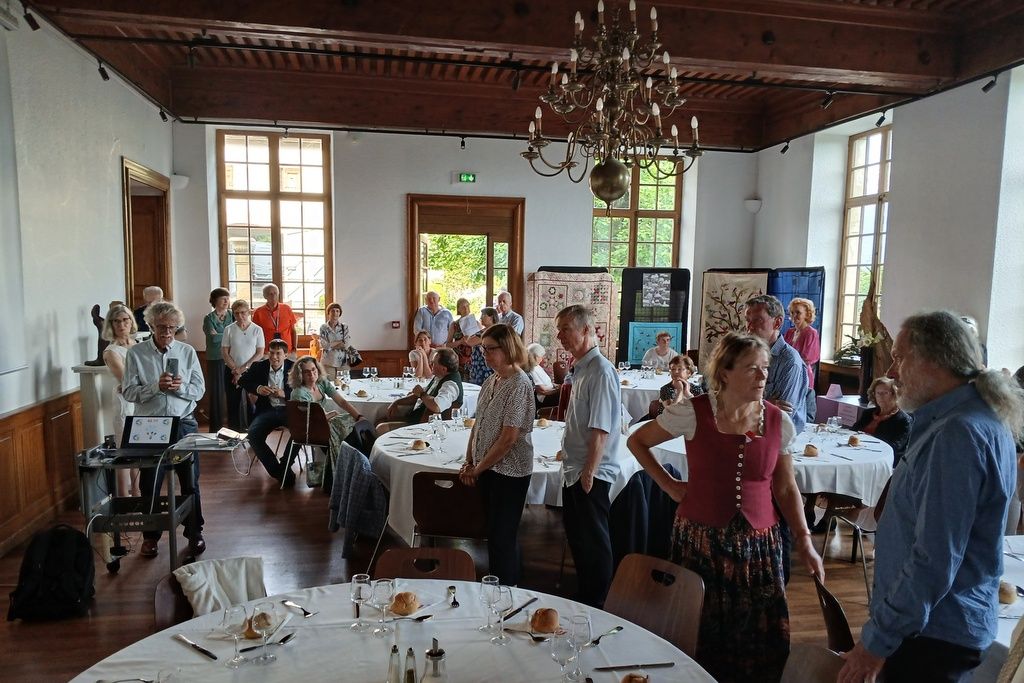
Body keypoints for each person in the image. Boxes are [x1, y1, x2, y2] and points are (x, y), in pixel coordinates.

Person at [838, 310, 1024, 683]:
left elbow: (935, 557)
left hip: (933, 634)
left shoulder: (959, 434)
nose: (892, 370)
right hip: (930, 627)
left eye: (900, 357)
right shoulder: (964, 419)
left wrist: (877, 642)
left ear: (935, 361)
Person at [627, 332, 823, 682]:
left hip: (759, 546)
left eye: (765, 368)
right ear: (725, 373)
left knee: (754, 636)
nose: (762, 376)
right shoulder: (693, 412)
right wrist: (669, 485)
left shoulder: (778, 421)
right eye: (752, 368)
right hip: (701, 541)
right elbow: (637, 441)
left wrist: (804, 539)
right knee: (700, 628)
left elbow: (784, 486)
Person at [121, 301, 207, 558]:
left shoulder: (187, 352)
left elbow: (199, 390)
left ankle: (194, 532)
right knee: (150, 483)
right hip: (151, 426)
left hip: (183, 423)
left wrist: (179, 388)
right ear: (150, 326)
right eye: (161, 327)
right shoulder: (136, 354)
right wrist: (155, 388)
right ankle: (150, 536)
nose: (167, 332)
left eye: (172, 327)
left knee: (190, 481)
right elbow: (128, 392)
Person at [556, 304, 623, 608]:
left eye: (565, 329)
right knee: (579, 539)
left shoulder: (601, 371)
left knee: (594, 542)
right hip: (575, 468)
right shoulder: (581, 368)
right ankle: (585, 599)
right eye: (559, 330)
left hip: (589, 472)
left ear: (586, 330)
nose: (560, 336)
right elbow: (581, 421)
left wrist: (589, 473)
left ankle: (599, 604)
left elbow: (601, 428)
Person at [459, 324, 535, 584]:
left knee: (503, 536)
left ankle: (506, 591)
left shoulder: (519, 384)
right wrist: (469, 461)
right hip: (488, 468)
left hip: (510, 471)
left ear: (508, 348)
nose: (485, 355)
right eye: (483, 349)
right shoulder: (491, 380)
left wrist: (477, 469)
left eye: (490, 349)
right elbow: (478, 424)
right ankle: (501, 587)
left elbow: (508, 439)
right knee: (495, 534)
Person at [744, 294, 808, 432]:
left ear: (777, 323)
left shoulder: (790, 361)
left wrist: (750, 405)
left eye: (757, 320)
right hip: (748, 431)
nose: (749, 327)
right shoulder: (744, 353)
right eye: (747, 320)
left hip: (781, 438)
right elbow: (729, 401)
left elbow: (781, 418)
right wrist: (765, 405)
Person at [238, 339, 295, 486]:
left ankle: (285, 465)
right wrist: (258, 389)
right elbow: (242, 381)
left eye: (278, 353)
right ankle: (278, 472)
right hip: (267, 410)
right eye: (271, 353)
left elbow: (304, 389)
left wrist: (285, 393)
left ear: (286, 355)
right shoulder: (259, 366)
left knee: (300, 433)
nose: (274, 357)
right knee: (253, 435)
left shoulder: (294, 367)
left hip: (289, 410)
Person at [289, 355, 363, 457]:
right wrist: (331, 414)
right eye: (306, 372)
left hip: (322, 423)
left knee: (352, 420)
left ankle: (356, 457)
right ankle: (342, 460)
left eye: (313, 369)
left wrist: (359, 417)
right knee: (340, 428)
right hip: (308, 429)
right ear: (300, 375)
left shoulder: (321, 382)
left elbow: (341, 402)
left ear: (318, 369)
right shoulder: (299, 393)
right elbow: (311, 420)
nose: (311, 374)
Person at [101, 303, 139, 496]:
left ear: (131, 321)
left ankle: (138, 493)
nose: (122, 325)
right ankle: (124, 497)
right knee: (124, 451)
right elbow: (126, 381)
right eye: (116, 321)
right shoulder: (111, 351)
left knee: (138, 450)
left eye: (125, 320)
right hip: (125, 403)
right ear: (111, 324)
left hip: (141, 400)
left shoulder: (137, 344)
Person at [384, 348, 464, 426]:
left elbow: (437, 406)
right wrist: (397, 402)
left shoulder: (450, 385)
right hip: (415, 417)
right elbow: (418, 396)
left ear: (444, 369)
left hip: (424, 426)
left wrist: (422, 394)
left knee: (381, 427)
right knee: (381, 419)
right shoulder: (439, 376)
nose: (430, 365)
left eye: (433, 363)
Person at [221, 299, 264, 431]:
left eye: (243, 312)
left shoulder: (257, 329)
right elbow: (225, 352)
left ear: (249, 312)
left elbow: (260, 353)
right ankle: (233, 433)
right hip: (231, 371)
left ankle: (253, 432)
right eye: (236, 313)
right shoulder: (229, 329)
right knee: (233, 404)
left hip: (252, 371)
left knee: (253, 403)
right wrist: (235, 370)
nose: (240, 316)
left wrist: (243, 369)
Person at [851, 377, 911, 468]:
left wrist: (867, 441)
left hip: (881, 463)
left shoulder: (903, 419)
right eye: (878, 393)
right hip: (857, 455)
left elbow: (895, 447)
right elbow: (852, 432)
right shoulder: (868, 413)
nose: (880, 396)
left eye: (885, 393)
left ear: (894, 394)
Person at [202, 287, 231, 432]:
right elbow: (213, 339)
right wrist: (229, 335)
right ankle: (215, 428)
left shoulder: (232, 315)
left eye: (227, 298)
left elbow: (237, 334)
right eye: (223, 298)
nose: (226, 301)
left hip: (232, 358)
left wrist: (220, 334)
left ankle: (237, 426)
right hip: (215, 358)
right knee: (216, 393)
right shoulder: (209, 318)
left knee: (235, 391)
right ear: (215, 300)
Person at [644, 354, 696, 421]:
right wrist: (680, 391)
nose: (675, 372)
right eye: (673, 369)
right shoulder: (666, 389)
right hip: (668, 423)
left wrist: (688, 393)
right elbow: (672, 412)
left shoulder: (696, 389)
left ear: (689, 372)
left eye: (679, 369)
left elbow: (701, 410)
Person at [251, 283, 298, 353]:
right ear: (265, 296)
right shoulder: (258, 312)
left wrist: (294, 349)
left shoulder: (287, 308)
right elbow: (255, 334)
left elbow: (293, 331)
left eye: (275, 293)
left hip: (287, 351)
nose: (273, 296)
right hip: (267, 352)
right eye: (270, 294)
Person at [446, 298, 479, 377]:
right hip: (458, 359)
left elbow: (482, 341)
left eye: (467, 306)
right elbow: (448, 345)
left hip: (474, 358)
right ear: (458, 309)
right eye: (463, 307)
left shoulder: (476, 323)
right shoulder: (454, 325)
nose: (466, 308)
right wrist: (460, 341)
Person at [319, 302, 351, 380]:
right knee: (329, 385)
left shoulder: (344, 327)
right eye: (332, 311)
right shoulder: (323, 327)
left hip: (343, 363)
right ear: (328, 313)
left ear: (340, 313)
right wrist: (339, 342)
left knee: (344, 384)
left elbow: (346, 345)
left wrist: (330, 345)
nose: (335, 313)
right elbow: (324, 346)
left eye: (337, 311)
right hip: (328, 362)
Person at [467, 307, 498, 385]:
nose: (481, 318)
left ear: (491, 317)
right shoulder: (484, 330)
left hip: (485, 366)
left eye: (484, 315)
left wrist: (468, 338)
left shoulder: (492, 331)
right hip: (478, 365)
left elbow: (470, 342)